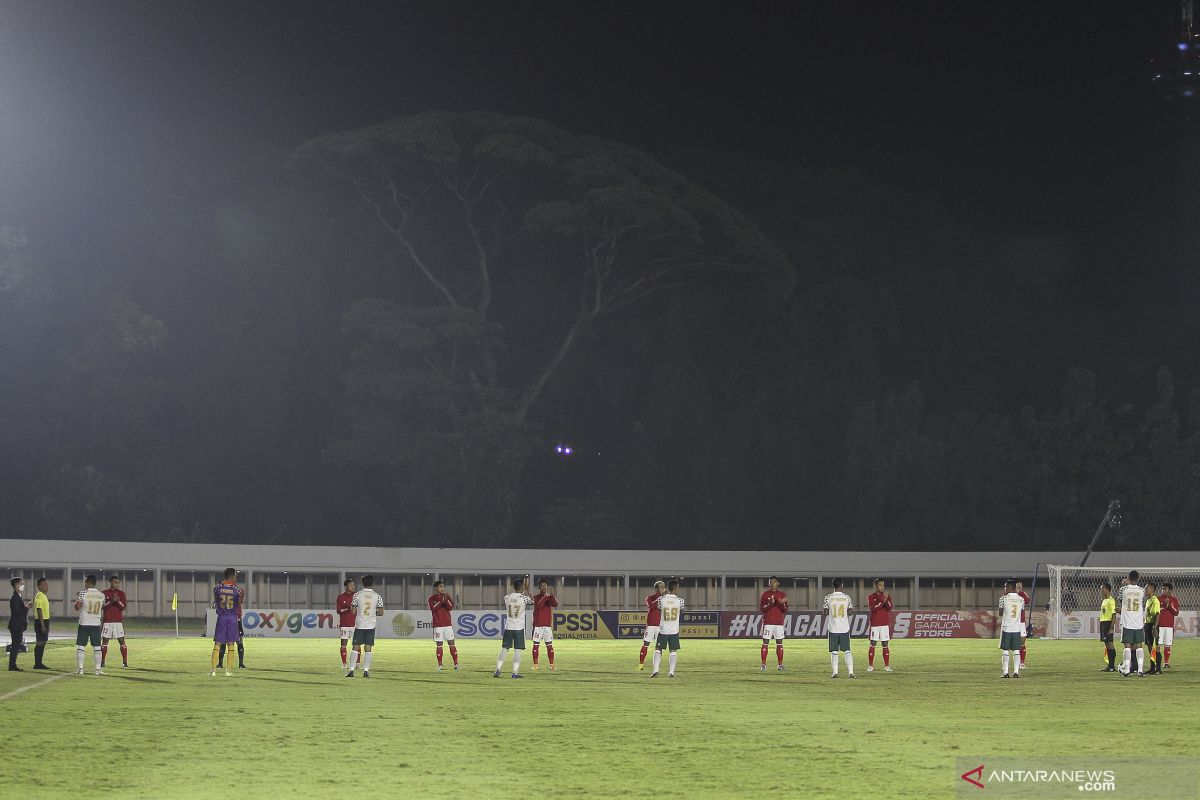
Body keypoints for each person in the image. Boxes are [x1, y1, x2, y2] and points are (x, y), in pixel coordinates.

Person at [346, 575, 383, 678]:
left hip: (360, 624)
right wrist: (372, 612)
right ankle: (366, 671)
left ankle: (351, 671)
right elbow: (381, 612)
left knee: (355, 648)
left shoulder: (357, 595)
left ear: (362, 583)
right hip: (371, 625)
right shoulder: (377, 596)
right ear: (372, 583)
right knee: (368, 648)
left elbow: (353, 611)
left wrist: (359, 610)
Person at [495, 577, 532, 679]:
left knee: (504, 649)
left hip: (509, 626)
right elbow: (533, 601)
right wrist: (528, 589)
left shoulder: (507, 597)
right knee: (517, 651)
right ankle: (515, 673)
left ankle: (498, 670)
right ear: (522, 587)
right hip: (519, 628)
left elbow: (509, 598)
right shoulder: (524, 598)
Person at [210, 568, 243, 677]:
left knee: (218, 643)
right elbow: (239, 603)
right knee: (231, 644)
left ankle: (213, 670)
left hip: (222, 617)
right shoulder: (237, 590)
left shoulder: (217, 588)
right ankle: (228, 671)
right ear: (233, 576)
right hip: (232, 618)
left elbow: (216, 599)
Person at [823, 578, 855, 678]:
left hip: (833, 628)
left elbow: (825, 613)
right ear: (841, 585)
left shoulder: (828, 597)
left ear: (833, 586)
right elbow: (850, 613)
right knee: (847, 651)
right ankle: (850, 672)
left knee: (834, 652)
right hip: (844, 628)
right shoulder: (847, 597)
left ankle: (835, 672)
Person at [74, 575, 105, 676]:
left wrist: (78, 600)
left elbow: (77, 607)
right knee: (97, 647)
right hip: (96, 623)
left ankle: (81, 669)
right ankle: (97, 670)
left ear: (87, 582)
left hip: (84, 622)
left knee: (81, 646)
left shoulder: (83, 593)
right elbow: (103, 606)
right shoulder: (101, 595)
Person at [652, 579, 683, 678]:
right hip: (674, 630)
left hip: (663, 629)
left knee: (658, 649)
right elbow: (681, 609)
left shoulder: (661, 599)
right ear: (676, 588)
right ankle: (671, 672)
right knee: (673, 651)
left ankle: (656, 670)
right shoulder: (680, 601)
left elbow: (659, 608)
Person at [1118, 570, 1145, 677]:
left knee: (1127, 647)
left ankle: (1127, 670)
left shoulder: (1123, 589)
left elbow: (1120, 600)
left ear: (1128, 578)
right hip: (1138, 622)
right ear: (1138, 578)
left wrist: (1124, 584)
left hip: (1127, 622)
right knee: (1139, 646)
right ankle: (1140, 670)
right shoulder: (1142, 590)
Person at [759, 576, 788, 672]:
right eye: (770, 582)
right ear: (768, 583)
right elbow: (762, 609)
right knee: (765, 642)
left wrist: (780, 603)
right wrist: (771, 604)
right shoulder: (765, 595)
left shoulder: (781, 594)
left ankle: (780, 665)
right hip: (768, 622)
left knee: (779, 643)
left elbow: (784, 610)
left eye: (774, 582)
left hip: (779, 622)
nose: (772, 583)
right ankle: (763, 664)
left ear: (777, 583)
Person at [428, 580, 459, 671]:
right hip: (438, 625)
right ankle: (440, 665)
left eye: (443, 586)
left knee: (452, 644)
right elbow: (433, 608)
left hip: (447, 624)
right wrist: (441, 601)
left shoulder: (446, 596)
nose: (443, 588)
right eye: (441, 586)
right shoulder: (432, 598)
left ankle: (456, 664)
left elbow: (450, 607)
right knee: (439, 645)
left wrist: (446, 599)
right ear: (436, 588)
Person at [998, 579, 1025, 678]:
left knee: (1005, 650)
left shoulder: (1003, 599)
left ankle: (1005, 673)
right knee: (1017, 650)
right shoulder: (1021, 599)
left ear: (1010, 587)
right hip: (1017, 628)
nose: (1004, 588)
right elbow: (1021, 613)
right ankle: (1016, 672)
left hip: (1006, 628)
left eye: (1006, 587)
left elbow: (1000, 613)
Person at [101, 575, 129, 668]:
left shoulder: (121, 593)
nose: (117, 584)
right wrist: (111, 601)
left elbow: (123, 607)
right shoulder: (104, 593)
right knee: (105, 641)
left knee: (122, 641)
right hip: (107, 621)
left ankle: (125, 662)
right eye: (115, 582)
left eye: (118, 582)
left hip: (118, 621)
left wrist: (117, 601)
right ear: (111, 583)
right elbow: (103, 607)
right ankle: (102, 661)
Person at [866, 578, 894, 673]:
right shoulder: (871, 597)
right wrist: (883, 601)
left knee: (885, 644)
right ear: (876, 586)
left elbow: (889, 607)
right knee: (873, 643)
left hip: (884, 623)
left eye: (883, 585)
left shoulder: (886, 596)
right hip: (875, 624)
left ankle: (887, 666)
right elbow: (873, 608)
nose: (882, 587)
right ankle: (870, 666)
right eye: (880, 585)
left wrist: (886, 600)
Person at [636, 581, 665, 671]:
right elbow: (651, 606)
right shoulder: (650, 598)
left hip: (661, 626)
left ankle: (656, 667)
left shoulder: (665, 599)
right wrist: (659, 599)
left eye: (664, 587)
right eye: (661, 587)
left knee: (659, 646)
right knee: (646, 644)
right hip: (651, 625)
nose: (663, 588)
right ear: (656, 588)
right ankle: (641, 664)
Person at [531, 579, 558, 671]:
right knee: (536, 645)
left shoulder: (549, 597)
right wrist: (545, 597)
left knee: (549, 645)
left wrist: (551, 596)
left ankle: (551, 665)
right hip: (538, 625)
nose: (544, 587)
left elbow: (555, 604)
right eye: (542, 586)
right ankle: (535, 665)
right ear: (539, 587)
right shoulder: (536, 597)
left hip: (547, 626)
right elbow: (538, 606)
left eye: (545, 586)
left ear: (547, 587)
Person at [8, 577, 29, 671]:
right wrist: (27, 607)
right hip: (16, 625)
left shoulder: (18, 597)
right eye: (21, 584)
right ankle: (12, 665)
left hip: (17, 624)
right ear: (16, 585)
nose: (22, 585)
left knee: (16, 644)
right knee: (16, 645)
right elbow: (17, 612)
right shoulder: (15, 598)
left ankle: (12, 665)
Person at [1158, 582, 1179, 670]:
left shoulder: (1174, 600)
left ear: (1170, 590)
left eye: (1165, 589)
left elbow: (1176, 612)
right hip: (1159, 625)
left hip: (1169, 626)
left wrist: (1169, 605)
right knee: (1157, 644)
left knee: (1167, 645)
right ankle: (1156, 662)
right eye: (1162, 588)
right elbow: (1156, 611)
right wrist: (1164, 607)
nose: (1163, 590)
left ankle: (1166, 663)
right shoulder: (1158, 599)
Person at [336, 578, 356, 671]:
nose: (353, 586)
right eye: (351, 585)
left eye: (353, 585)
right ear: (346, 587)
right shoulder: (341, 597)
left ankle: (357, 663)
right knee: (344, 644)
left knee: (356, 644)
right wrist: (348, 608)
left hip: (355, 624)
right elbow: (338, 610)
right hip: (344, 624)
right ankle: (344, 663)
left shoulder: (356, 596)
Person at [32, 577, 51, 670]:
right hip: (41, 621)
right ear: (39, 586)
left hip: (45, 620)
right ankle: (37, 664)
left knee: (42, 642)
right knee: (40, 642)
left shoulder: (43, 595)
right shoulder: (39, 596)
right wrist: (42, 625)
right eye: (44, 584)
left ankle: (39, 663)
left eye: (47, 584)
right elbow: (39, 611)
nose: (46, 586)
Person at [1143, 582, 1161, 675]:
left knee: (1155, 647)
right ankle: (1152, 668)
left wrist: (1155, 626)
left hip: (1153, 625)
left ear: (1152, 589)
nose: (1145, 590)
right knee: (1150, 647)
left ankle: (1158, 669)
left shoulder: (1155, 600)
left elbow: (1157, 614)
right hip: (1147, 624)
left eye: (1147, 588)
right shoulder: (1148, 600)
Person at [1098, 582, 1116, 672]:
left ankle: (1112, 666)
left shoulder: (1111, 600)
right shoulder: (1104, 600)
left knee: (1110, 644)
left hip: (1108, 623)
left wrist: (1111, 627)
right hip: (1103, 623)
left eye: (1102, 588)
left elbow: (1114, 614)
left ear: (1107, 589)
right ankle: (1109, 666)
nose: (1101, 590)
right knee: (1106, 644)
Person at [1015, 580, 1031, 670]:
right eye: (1017, 585)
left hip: (1021, 623)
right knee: (1009, 644)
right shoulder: (1011, 595)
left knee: (1022, 643)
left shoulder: (1023, 594)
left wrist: (1021, 592)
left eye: (1020, 585)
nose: (1019, 587)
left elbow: (1028, 601)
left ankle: (1022, 663)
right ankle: (1006, 663)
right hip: (1013, 623)